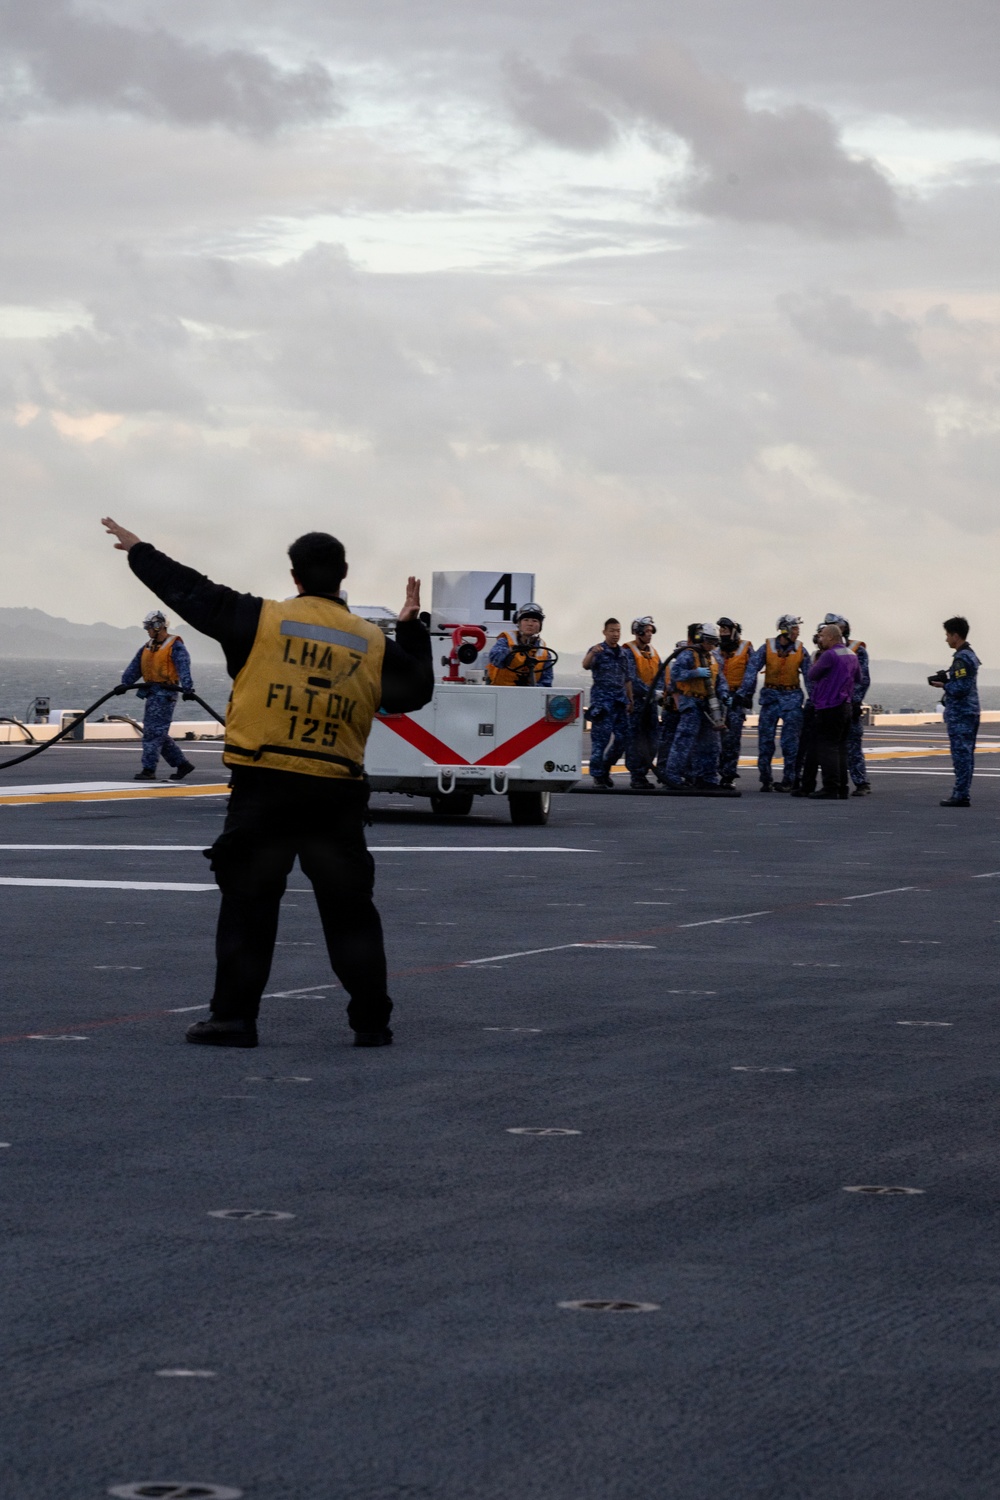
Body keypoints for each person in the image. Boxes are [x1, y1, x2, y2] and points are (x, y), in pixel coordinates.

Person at [101, 516, 433, 1048]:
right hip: (335, 793)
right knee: (350, 912)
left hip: (265, 787)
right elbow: (416, 690)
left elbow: (190, 590)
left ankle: (233, 1018)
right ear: (342, 575)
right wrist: (411, 626)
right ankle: (371, 1021)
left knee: (249, 906)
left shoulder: (259, 619)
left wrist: (140, 551)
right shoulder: (371, 642)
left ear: (295, 576)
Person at [118, 610, 196, 782]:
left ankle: (148, 769)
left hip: (166, 694)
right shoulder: (148, 647)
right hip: (153, 693)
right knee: (156, 731)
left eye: (148, 626)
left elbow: (183, 666)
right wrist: (125, 684)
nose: (147, 630)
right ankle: (182, 764)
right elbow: (135, 667)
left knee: (153, 732)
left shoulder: (175, 646)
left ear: (158, 626)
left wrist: (188, 688)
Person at [740, 614, 810, 792]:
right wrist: (745, 693)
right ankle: (765, 778)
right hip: (770, 699)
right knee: (765, 742)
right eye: (794, 628)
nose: (797, 632)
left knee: (790, 742)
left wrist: (814, 700)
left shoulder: (801, 650)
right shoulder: (767, 648)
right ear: (785, 630)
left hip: (792, 699)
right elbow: (752, 669)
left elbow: (810, 677)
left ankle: (790, 779)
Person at [663, 623, 732, 793]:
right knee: (684, 741)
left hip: (708, 704)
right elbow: (675, 675)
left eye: (714, 642)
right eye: (708, 641)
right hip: (692, 703)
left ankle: (707, 777)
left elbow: (720, 680)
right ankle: (672, 777)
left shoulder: (715, 658)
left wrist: (724, 694)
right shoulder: (687, 655)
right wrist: (695, 673)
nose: (711, 645)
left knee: (711, 744)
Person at [804, 623, 859, 799]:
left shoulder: (829, 655)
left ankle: (830, 787)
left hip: (829, 706)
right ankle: (842, 787)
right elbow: (859, 677)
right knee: (840, 748)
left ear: (830, 637)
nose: (819, 639)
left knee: (827, 748)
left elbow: (812, 675)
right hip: (846, 706)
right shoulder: (852, 654)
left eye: (822, 636)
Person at [930, 616, 980, 808]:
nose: (946, 639)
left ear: (956, 635)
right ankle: (962, 792)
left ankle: (960, 794)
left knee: (961, 755)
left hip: (961, 713)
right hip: (970, 711)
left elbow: (961, 688)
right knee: (967, 755)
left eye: (948, 635)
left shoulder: (962, 657)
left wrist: (945, 684)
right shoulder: (970, 654)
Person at [583, 618, 633, 790]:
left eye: (618, 631)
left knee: (623, 739)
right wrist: (592, 653)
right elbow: (585, 665)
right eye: (612, 631)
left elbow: (627, 679)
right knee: (600, 741)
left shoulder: (623, 654)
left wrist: (630, 700)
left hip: (620, 702)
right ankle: (597, 776)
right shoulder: (598, 650)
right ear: (604, 632)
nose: (615, 634)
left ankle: (605, 767)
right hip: (603, 703)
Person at [623, 616, 661, 790]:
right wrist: (650, 692)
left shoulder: (653, 653)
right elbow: (630, 678)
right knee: (635, 741)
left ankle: (644, 771)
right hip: (635, 703)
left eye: (651, 631)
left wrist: (659, 692)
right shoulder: (628, 652)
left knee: (653, 740)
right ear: (637, 632)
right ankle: (636, 775)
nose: (649, 634)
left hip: (651, 704)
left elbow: (660, 673)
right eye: (646, 631)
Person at [716, 617, 752, 789]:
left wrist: (744, 695)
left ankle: (728, 774)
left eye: (726, 630)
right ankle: (712, 772)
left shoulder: (746, 648)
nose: (723, 633)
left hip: (736, 698)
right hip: (717, 698)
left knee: (732, 739)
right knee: (715, 738)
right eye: (721, 630)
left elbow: (751, 672)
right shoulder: (715, 649)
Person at [485, 603, 554, 685]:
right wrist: (511, 651)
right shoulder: (506, 641)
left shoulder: (544, 652)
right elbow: (495, 659)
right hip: (501, 692)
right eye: (526, 620)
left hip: (528, 694)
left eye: (534, 621)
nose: (530, 624)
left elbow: (546, 681)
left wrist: (531, 689)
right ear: (519, 624)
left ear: (540, 626)